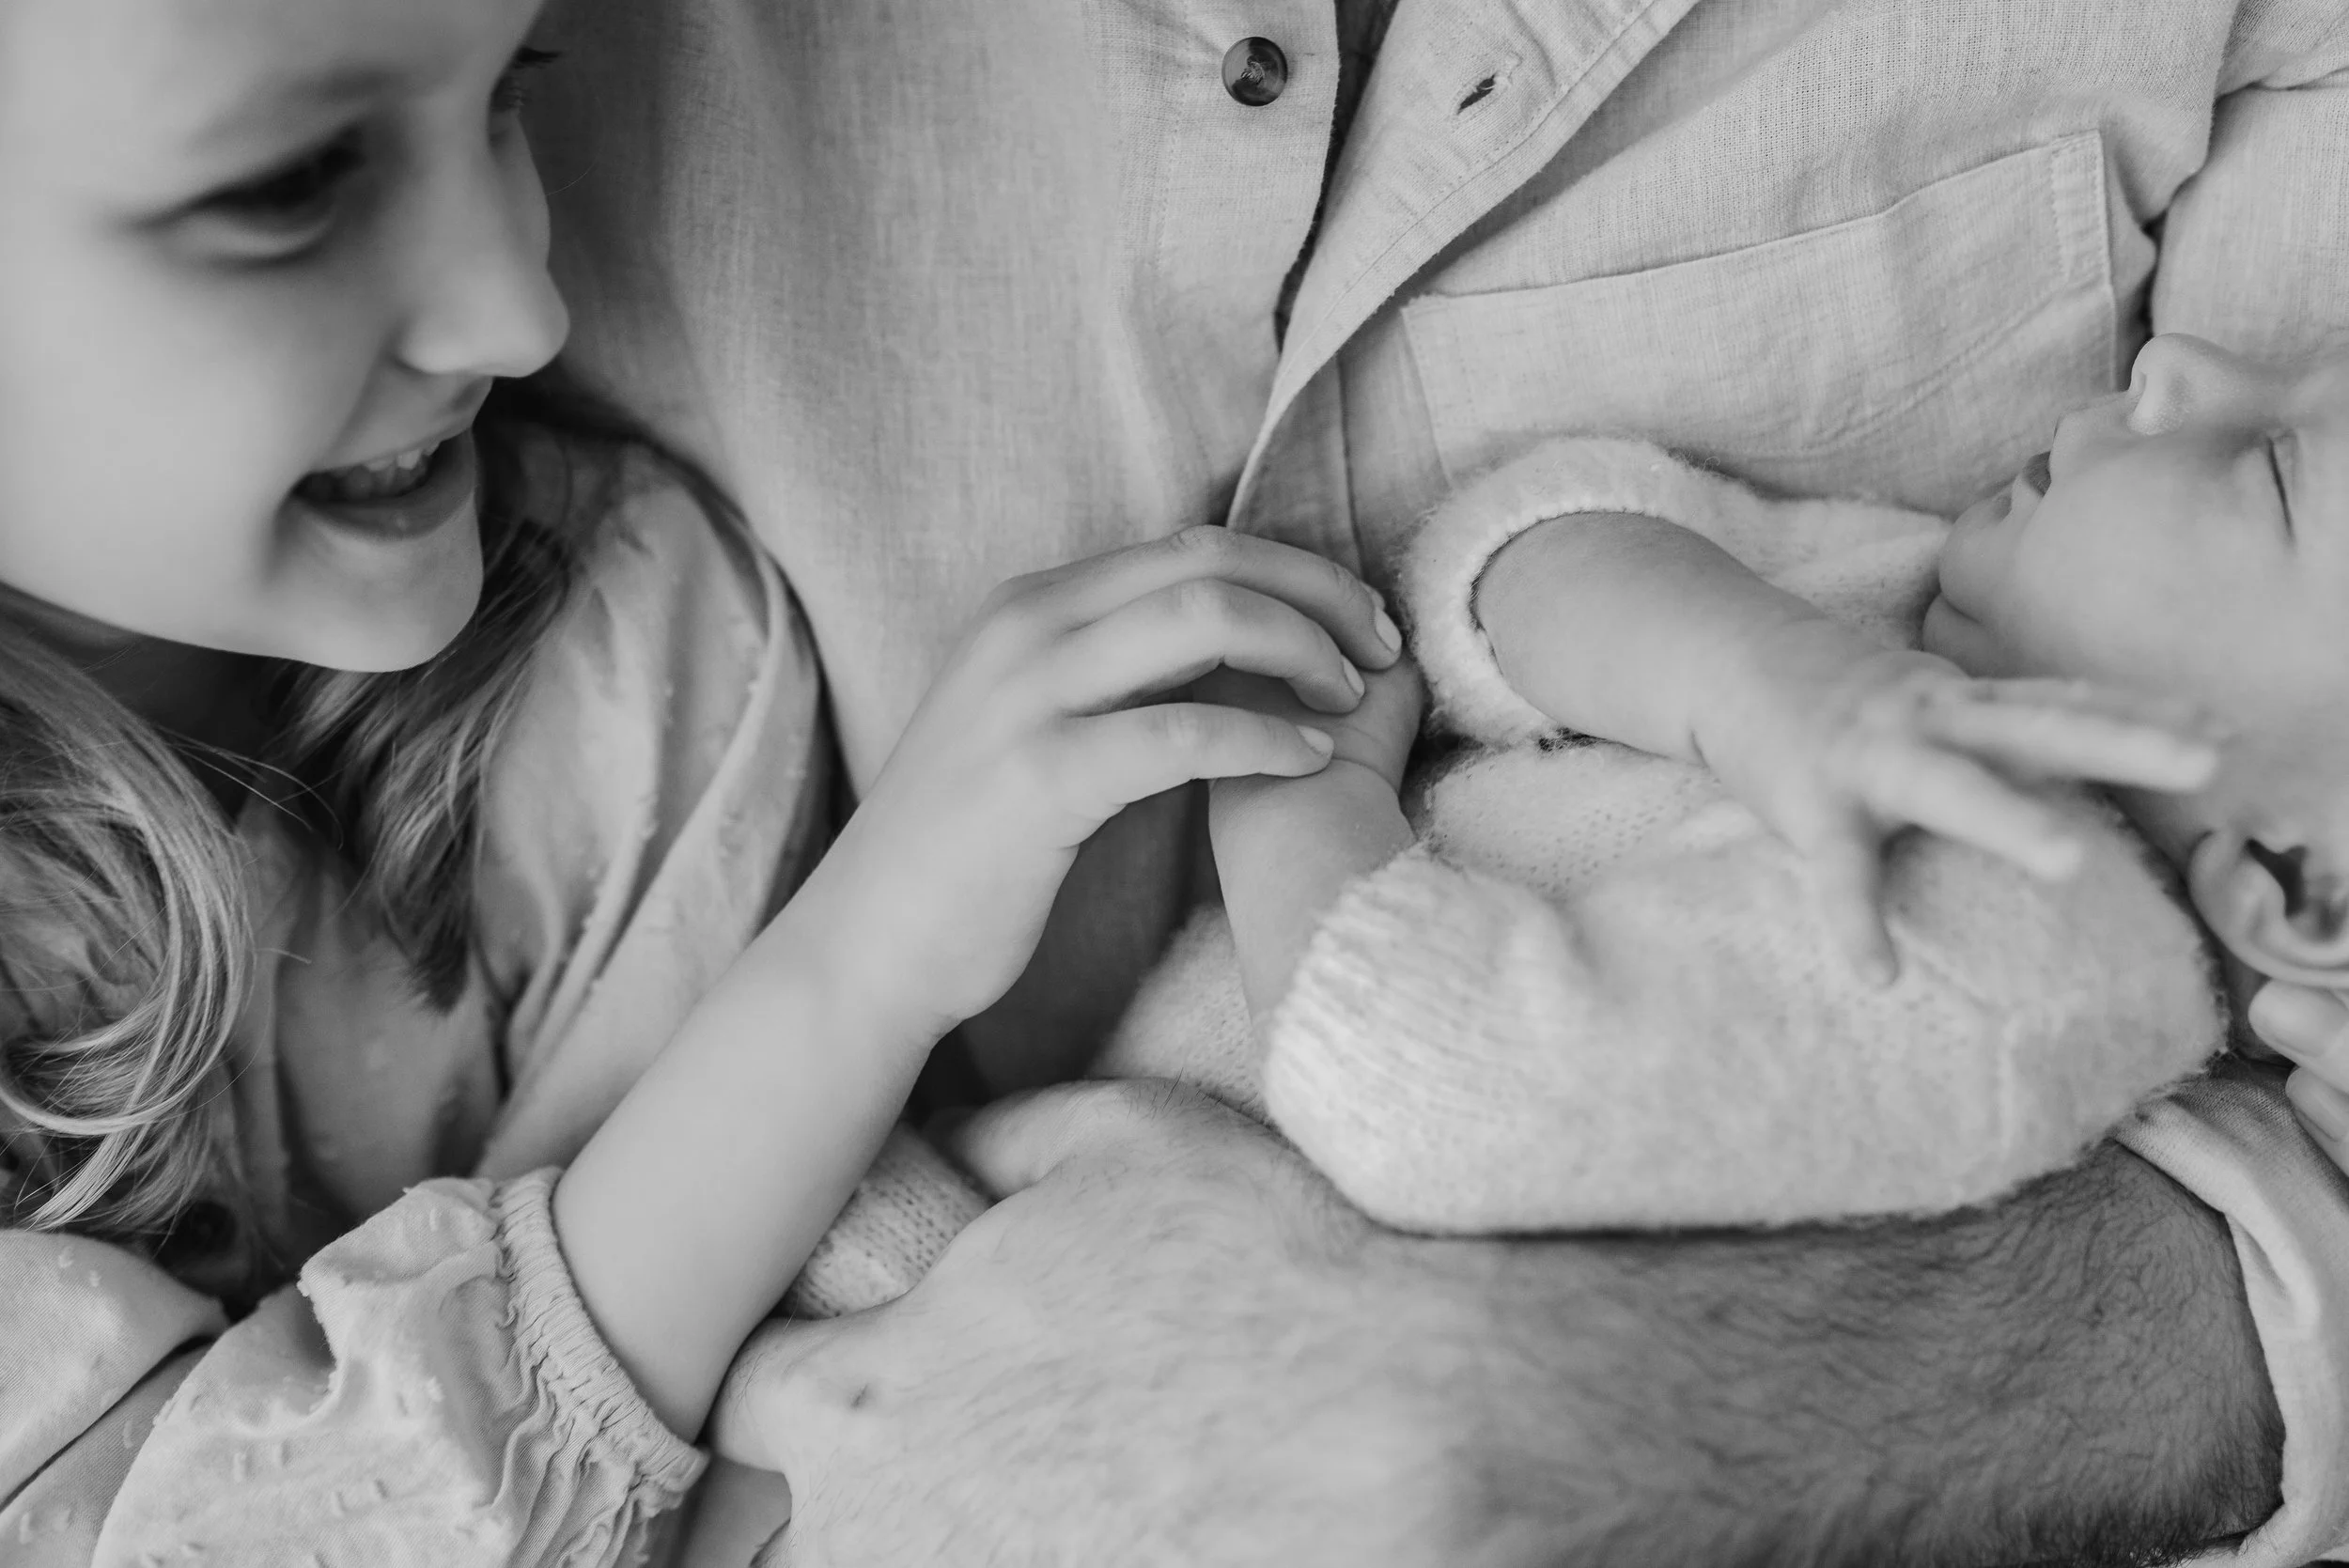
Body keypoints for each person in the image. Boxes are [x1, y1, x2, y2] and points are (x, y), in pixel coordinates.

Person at [524, 0, 2349, 1562]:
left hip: (1046, 1290)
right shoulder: (1899, 657)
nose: (2188, 364)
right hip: (972, 1286)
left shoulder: (2002, 970)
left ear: (2301, 900)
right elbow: (1526, 539)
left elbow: (1420, 1088)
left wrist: (1300, 782)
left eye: (2265, 474)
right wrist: (1747, 670)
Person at [0, 0, 1402, 1561]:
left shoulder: (638, 650)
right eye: (292, 184)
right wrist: (853, 979)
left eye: (505, 92)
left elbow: (812, 1445)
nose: (519, 310)